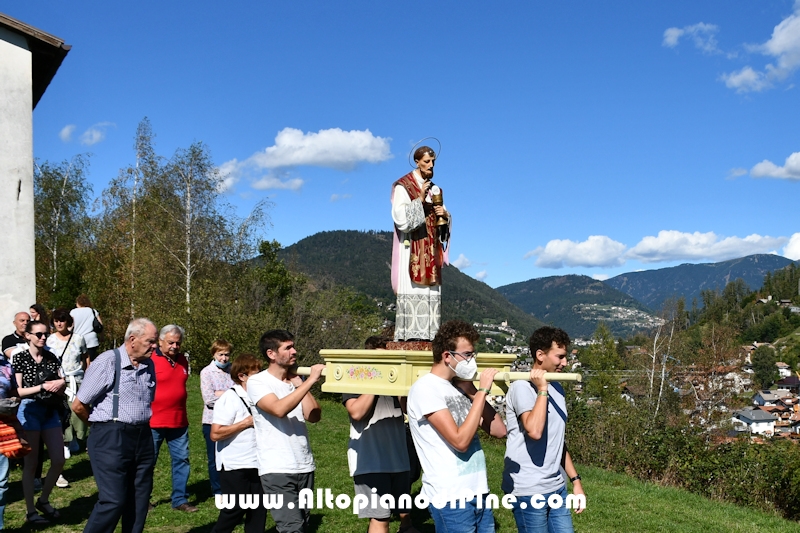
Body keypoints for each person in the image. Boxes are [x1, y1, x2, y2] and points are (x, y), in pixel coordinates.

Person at [406, 320, 507, 532]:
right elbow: (460, 441)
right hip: (450, 496)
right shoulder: (425, 389)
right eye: (467, 355)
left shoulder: (460, 388)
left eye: (473, 354)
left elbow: (499, 431)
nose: (472, 360)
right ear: (446, 356)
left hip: (478, 491)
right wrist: (482, 392)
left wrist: (472, 391)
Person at [73, 318, 158, 533]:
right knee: (113, 500)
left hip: (143, 435)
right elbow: (79, 404)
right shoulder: (107, 362)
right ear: (132, 340)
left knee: (140, 498)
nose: (155, 346)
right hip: (111, 436)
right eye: (151, 341)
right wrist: (99, 427)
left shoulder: (149, 364)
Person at [502, 327, 585, 533]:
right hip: (529, 489)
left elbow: (557, 441)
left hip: (556, 486)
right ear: (540, 355)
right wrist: (542, 389)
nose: (565, 363)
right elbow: (535, 431)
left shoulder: (557, 387)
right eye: (560, 357)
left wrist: (576, 482)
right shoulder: (521, 387)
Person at [246, 329, 325, 533]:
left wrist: (300, 383)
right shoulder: (258, 382)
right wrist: (310, 381)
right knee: (292, 528)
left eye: (293, 346)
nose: (294, 351)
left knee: (303, 524)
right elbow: (278, 409)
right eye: (287, 348)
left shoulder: (296, 384)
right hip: (277, 468)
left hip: (304, 465)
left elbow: (314, 416)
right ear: (271, 354)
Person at [343, 336, 417, 533]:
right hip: (370, 462)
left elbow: (412, 411)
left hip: (399, 460)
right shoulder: (355, 379)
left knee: (404, 512)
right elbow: (357, 413)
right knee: (380, 518)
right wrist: (377, 377)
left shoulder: (396, 381)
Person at [391, 145, 451, 341]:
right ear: (417, 162)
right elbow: (400, 218)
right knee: (413, 287)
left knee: (431, 291)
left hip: (431, 248)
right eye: (427, 162)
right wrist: (419, 200)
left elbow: (443, 223)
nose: (431, 165)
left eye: (433, 162)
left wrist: (446, 216)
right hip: (413, 247)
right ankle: (411, 335)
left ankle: (430, 335)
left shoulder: (436, 189)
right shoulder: (404, 186)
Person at [13, 320, 66, 525]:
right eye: (38, 334)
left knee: (59, 459)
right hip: (29, 410)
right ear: (28, 336)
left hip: (50, 411)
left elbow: (61, 380)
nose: (43, 337)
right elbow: (17, 391)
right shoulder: (20, 358)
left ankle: (43, 500)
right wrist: (42, 386)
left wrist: (61, 383)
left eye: (45, 334)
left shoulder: (51, 357)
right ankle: (30, 511)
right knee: (31, 463)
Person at [209, 353, 267, 533]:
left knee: (258, 510)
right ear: (242, 376)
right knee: (234, 510)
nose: (260, 378)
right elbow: (215, 434)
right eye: (255, 374)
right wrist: (245, 423)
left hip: (258, 462)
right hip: (235, 465)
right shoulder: (229, 398)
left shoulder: (260, 398)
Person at [150, 324, 197, 512]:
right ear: (160, 341)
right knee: (147, 463)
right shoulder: (150, 360)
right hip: (153, 421)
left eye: (178, 343)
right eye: (171, 342)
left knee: (182, 460)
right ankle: (142, 499)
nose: (175, 346)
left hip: (178, 421)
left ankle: (179, 499)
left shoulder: (183, 361)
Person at [46, 308, 89, 487]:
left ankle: (78, 439)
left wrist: (88, 375)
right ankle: (64, 443)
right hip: (57, 383)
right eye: (56, 320)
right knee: (61, 415)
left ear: (68, 322)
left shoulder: (78, 338)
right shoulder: (49, 340)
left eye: (62, 320)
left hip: (76, 380)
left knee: (77, 410)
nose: (59, 323)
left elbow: (85, 357)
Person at [200, 339, 234, 495]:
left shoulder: (233, 371)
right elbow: (209, 399)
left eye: (227, 355)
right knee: (214, 458)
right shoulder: (207, 372)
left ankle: (231, 487)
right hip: (212, 420)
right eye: (221, 354)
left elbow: (241, 392)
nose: (224, 358)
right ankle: (218, 489)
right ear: (214, 354)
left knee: (231, 456)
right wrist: (229, 395)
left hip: (233, 420)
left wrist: (221, 394)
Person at [0, 332, 22, 530]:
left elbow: (15, 391)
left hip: (3, 427)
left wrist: (13, 401)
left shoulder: (5, 365)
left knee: (0, 484)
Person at [70, 294, 102, 363]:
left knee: (78, 362)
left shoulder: (73, 312)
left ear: (77, 303)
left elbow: (70, 327)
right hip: (91, 340)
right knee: (90, 361)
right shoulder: (93, 311)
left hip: (77, 340)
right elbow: (100, 325)